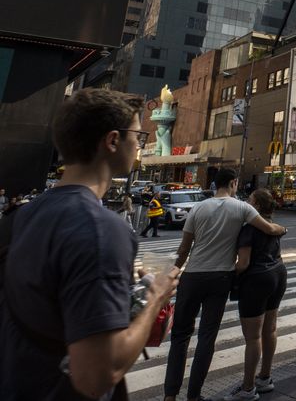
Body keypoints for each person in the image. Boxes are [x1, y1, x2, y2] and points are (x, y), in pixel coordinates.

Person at [0, 88, 178, 400]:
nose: (139, 144)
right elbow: (98, 375)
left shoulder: (26, 213)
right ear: (112, 140)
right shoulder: (100, 229)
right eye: (138, 135)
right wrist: (155, 300)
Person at [164, 168, 288, 401]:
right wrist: (284, 229)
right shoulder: (242, 207)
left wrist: (172, 274)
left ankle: (170, 395)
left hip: (192, 277)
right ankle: (194, 396)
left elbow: (184, 249)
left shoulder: (198, 208)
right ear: (233, 183)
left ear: (214, 185)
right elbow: (270, 228)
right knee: (207, 337)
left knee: (180, 336)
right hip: (220, 278)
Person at [225, 189, 288, 401]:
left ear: (257, 206)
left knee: (253, 337)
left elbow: (243, 263)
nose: (246, 202)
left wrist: (230, 273)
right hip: (278, 273)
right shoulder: (272, 226)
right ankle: (265, 377)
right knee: (270, 329)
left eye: (249, 200)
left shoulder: (249, 229)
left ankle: (248, 388)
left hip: (257, 279)